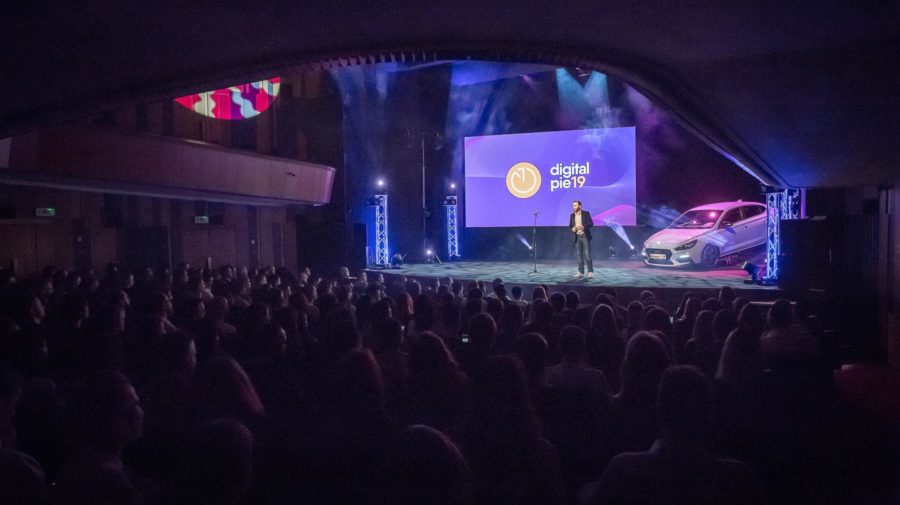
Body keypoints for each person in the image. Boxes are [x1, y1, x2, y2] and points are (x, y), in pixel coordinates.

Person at [569, 200, 594, 279]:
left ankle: (590, 272)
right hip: (577, 237)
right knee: (579, 255)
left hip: (585, 236)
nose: (574, 207)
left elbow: (591, 223)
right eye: (573, 205)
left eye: (575, 205)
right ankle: (581, 272)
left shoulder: (586, 213)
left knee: (587, 255)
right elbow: (570, 226)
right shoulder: (572, 215)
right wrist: (572, 229)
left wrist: (583, 227)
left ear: (580, 206)